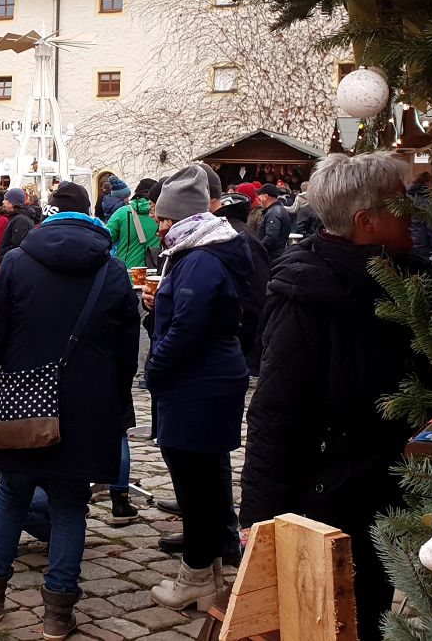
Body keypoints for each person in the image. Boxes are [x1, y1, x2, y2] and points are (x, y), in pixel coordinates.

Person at [241, 153, 426, 641]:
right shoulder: (305, 297)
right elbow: (275, 415)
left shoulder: (411, 280)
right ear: (367, 222)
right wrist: (260, 524)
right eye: (400, 203)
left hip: (389, 492)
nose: (413, 212)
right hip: (329, 502)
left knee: (370, 611)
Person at [0, 181, 140, 639]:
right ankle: (58, 612)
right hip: (88, 403)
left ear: (50, 215)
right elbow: (128, 349)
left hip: (24, 396)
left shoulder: (18, 262)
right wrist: (116, 399)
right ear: (91, 216)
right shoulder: (112, 269)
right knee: (70, 504)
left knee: (12, 494)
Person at [143, 165, 253, 612]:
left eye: (163, 218)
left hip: (198, 381)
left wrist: (155, 370)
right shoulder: (201, 251)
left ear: (181, 217)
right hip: (207, 377)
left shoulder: (200, 258)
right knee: (203, 482)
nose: (158, 226)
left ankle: (195, 576)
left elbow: (188, 328)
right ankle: (208, 573)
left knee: (195, 486)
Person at [107, 187, 160, 269]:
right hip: (155, 269)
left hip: (127, 270)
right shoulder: (160, 213)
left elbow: (106, 237)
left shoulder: (122, 212)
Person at [0, 188, 35, 268]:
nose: (3, 202)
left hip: (13, 264)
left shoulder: (20, 220)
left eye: (6, 199)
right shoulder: (17, 217)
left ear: (13, 202)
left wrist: (3, 261)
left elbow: (16, 246)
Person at [256, 184, 294, 262]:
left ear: (265, 196)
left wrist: (258, 250)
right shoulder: (277, 209)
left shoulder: (273, 212)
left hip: (272, 257)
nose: (258, 198)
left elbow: (271, 238)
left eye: (259, 195)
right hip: (276, 254)